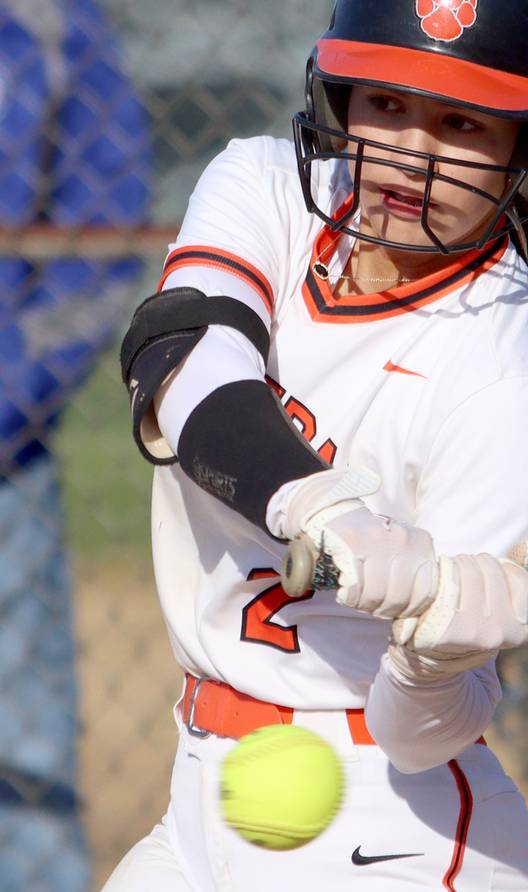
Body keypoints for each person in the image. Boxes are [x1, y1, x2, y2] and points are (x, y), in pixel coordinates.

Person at [105, 1, 528, 889]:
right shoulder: (262, 188)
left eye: (463, 122)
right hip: (199, 794)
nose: (411, 155)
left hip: (389, 825)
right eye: (389, 104)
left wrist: (437, 660)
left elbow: (421, 737)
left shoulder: (509, 379)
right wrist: (319, 505)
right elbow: (180, 355)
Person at [0, 2, 151, 890]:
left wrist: (7, 398)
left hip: (2, 459)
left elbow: (103, 229)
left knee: (22, 757)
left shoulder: (50, 21)